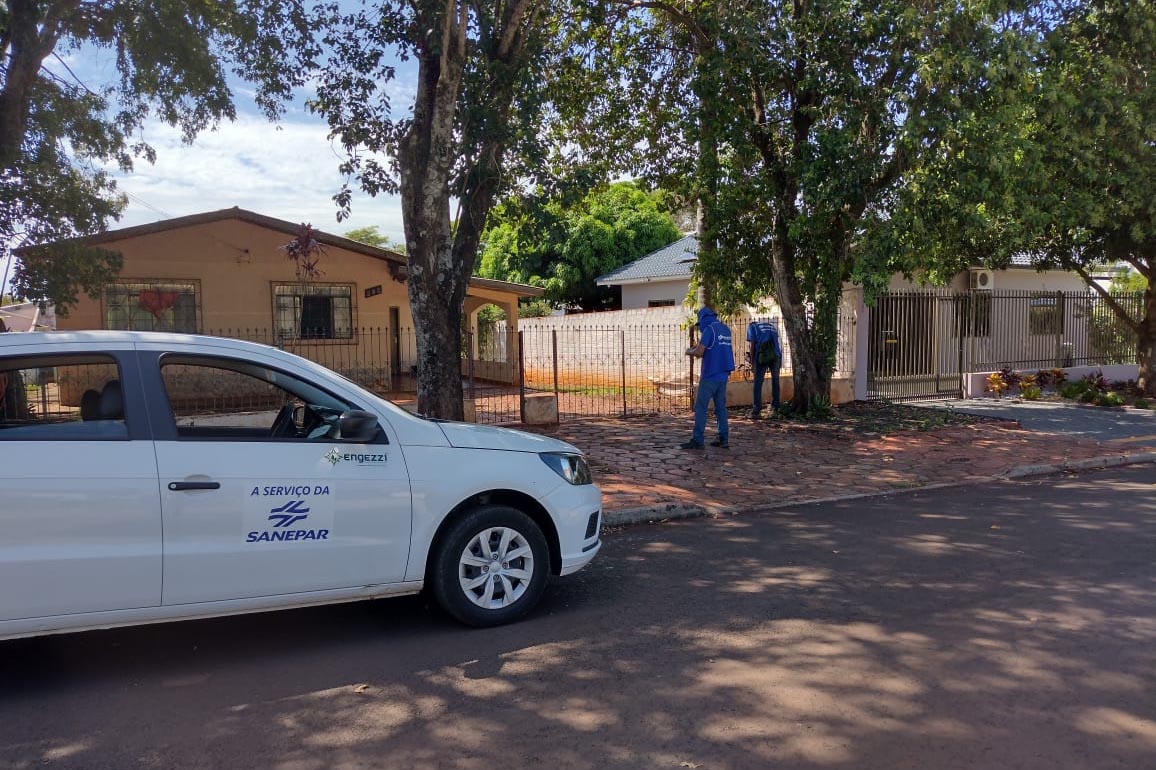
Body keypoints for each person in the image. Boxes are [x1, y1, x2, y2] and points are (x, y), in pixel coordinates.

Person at [682, 305, 735, 449]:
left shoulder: (709, 329)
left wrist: (689, 352)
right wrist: (697, 349)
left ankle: (698, 440)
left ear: (704, 319)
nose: (700, 327)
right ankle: (723, 439)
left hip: (710, 375)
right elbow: (713, 349)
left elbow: (699, 352)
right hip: (723, 376)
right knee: (720, 408)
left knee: (701, 407)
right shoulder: (725, 329)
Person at [746, 318, 782, 419]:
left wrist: (752, 364)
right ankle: (776, 406)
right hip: (776, 355)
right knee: (775, 380)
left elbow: (752, 346)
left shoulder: (752, 327)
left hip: (762, 356)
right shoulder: (770, 326)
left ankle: (756, 409)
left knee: (758, 381)